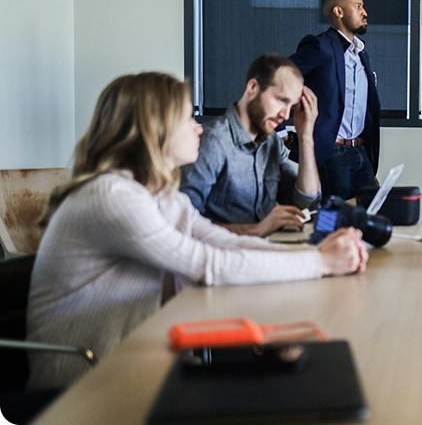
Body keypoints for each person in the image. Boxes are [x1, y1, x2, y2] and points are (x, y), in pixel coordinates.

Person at [26, 73, 368, 390]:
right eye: (189, 118)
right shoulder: (112, 195)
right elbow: (209, 264)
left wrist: (315, 256)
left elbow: (227, 243)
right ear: (155, 127)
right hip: (83, 384)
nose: (199, 128)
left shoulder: (160, 196)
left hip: (132, 359)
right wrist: (320, 263)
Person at [180, 54, 321, 237]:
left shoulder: (272, 143)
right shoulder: (212, 142)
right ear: (253, 87)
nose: (286, 116)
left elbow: (304, 203)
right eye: (281, 100)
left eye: (291, 107)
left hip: (262, 248)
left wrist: (306, 137)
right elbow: (183, 224)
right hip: (224, 252)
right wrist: (255, 230)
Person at [290, 0, 381, 200]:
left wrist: (366, 158)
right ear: (339, 11)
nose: (365, 12)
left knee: (368, 213)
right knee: (334, 215)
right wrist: (281, 133)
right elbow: (277, 78)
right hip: (332, 152)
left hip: (361, 151)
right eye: (358, 6)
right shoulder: (319, 46)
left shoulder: (361, 53)